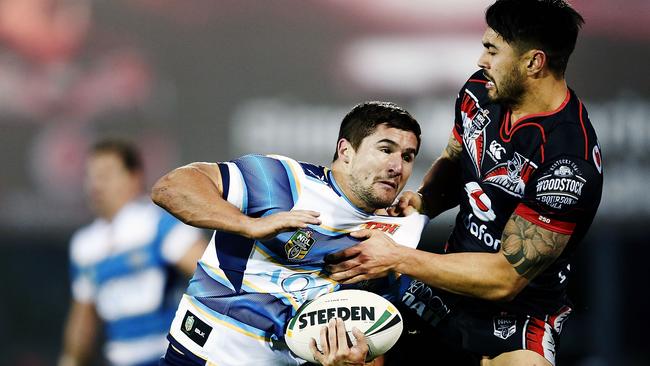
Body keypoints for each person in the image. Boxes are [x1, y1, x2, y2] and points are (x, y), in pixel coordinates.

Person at [326, 1, 603, 365]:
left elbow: (505, 278)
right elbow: (459, 157)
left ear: (533, 62)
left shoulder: (569, 162)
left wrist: (398, 257)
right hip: (443, 285)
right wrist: (425, 200)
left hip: (518, 313)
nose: (480, 61)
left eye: (492, 50)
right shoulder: (480, 91)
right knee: (349, 353)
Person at [151, 101, 429, 365]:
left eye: (407, 156)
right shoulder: (281, 180)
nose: (397, 167)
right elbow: (171, 187)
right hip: (198, 358)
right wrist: (248, 224)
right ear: (345, 151)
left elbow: (371, 343)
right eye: (385, 150)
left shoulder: (397, 236)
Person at [59, 139, 207, 366]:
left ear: (134, 177)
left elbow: (212, 275)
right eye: (91, 175)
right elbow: (83, 318)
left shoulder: (159, 224)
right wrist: (70, 359)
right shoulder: (85, 245)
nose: (96, 184)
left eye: (106, 174)